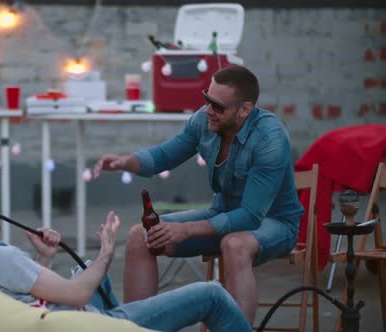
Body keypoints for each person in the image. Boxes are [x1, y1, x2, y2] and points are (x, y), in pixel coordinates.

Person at [0, 165, 251, 332]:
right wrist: (109, 249)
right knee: (212, 295)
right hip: (82, 323)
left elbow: (9, 304)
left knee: (87, 267)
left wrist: (42, 259)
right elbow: (78, 295)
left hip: (51, 318)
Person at [93, 65, 304, 324]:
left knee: (235, 245)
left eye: (217, 105)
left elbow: (250, 217)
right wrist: (124, 162)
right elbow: (165, 155)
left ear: (245, 110)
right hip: (222, 214)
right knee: (141, 236)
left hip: (274, 222)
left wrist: (188, 230)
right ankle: (138, 328)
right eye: (206, 99)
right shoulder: (204, 121)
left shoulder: (270, 137)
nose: (208, 110)